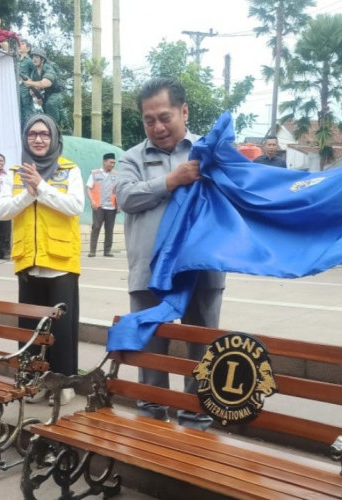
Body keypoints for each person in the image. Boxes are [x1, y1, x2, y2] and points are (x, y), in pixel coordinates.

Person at [115, 77, 226, 430]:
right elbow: (126, 198)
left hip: (201, 272)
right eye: (150, 120)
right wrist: (171, 180)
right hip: (148, 275)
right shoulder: (131, 158)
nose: (158, 127)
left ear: (184, 111)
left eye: (165, 117)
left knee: (201, 351)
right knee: (151, 353)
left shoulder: (209, 154)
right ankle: (152, 421)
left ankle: (197, 422)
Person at [0, 114, 84, 406]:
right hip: (27, 261)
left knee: (62, 329)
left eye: (44, 134)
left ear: (54, 137)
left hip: (60, 262)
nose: (39, 139)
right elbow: (1, 211)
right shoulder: (13, 172)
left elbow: (75, 206)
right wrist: (30, 194)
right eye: (33, 134)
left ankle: (64, 382)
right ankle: (35, 381)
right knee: (31, 329)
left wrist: (42, 188)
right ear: (25, 138)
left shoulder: (69, 170)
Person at [86, 152, 118, 257]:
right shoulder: (95, 174)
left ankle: (107, 251)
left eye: (114, 163)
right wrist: (92, 201)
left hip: (111, 206)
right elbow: (88, 188)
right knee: (96, 227)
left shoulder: (116, 175)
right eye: (111, 162)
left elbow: (118, 190)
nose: (112, 165)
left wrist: (119, 205)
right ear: (104, 162)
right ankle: (92, 251)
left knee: (109, 229)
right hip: (98, 205)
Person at [25, 49, 62, 125]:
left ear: (42, 59)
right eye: (33, 57)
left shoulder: (48, 68)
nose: (34, 59)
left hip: (57, 93)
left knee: (50, 104)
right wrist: (34, 93)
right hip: (47, 94)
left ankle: (54, 126)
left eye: (37, 57)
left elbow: (45, 83)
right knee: (45, 110)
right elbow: (37, 86)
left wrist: (30, 83)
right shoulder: (34, 72)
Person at [17, 39, 37, 128]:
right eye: (19, 43)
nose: (19, 45)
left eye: (22, 44)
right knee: (18, 111)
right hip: (17, 89)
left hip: (26, 89)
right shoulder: (16, 60)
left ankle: (30, 130)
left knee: (28, 112)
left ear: (28, 48)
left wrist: (33, 87)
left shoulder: (29, 61)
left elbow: (36, 73)